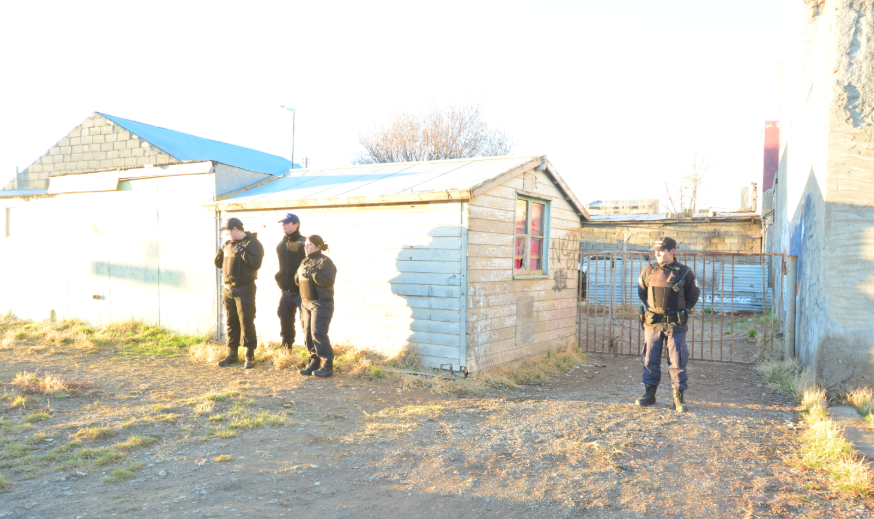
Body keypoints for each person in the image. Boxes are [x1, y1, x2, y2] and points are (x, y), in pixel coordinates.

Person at [635, 236, 700, 412]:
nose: (657, 254)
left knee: (678, 359)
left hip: (675, 324)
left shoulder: (685, 272)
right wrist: (654, 309)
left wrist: (681, 310)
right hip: (653, 323)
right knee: (650, 357)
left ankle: (678, 398)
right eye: (656, 250)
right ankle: (649, 394)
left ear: (672, 252)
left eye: (661, 250)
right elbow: (642, 292)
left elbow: (693, 295)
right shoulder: (648, 270)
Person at [213, 217, 264, 369]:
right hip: (228, 289)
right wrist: (219, 254)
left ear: (235, 229)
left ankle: (250, 356)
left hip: (244, 288)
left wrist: (244, 253)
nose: (226, 234)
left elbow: (256, 264)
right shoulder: (228, 244)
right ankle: (232, 354)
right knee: (231, 322)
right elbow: (218, 264)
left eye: (228, 231)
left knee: (246, 321)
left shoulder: (252, 243)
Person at [295, 234, 337, 378]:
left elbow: (328, 281)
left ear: (318, 247)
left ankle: (327, 365)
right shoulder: (304, 261)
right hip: (306, 302)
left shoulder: (325, 262)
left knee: (318, 333)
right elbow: (297, 280)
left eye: (309, 245)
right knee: (307, 333)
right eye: (305, 244)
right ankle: (314, 361)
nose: (306, 247)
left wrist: (314, 274)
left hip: (321, 302)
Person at [275, 213, 306, 352]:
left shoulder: (304, 243)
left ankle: (312, 354)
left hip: (302, 292)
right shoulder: (282, 244)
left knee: (307, 322)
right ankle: (286, 350)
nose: (283, 225)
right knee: (285, 320)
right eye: (282, 223)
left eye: (286, 223)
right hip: (286, 291)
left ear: (296, 225)